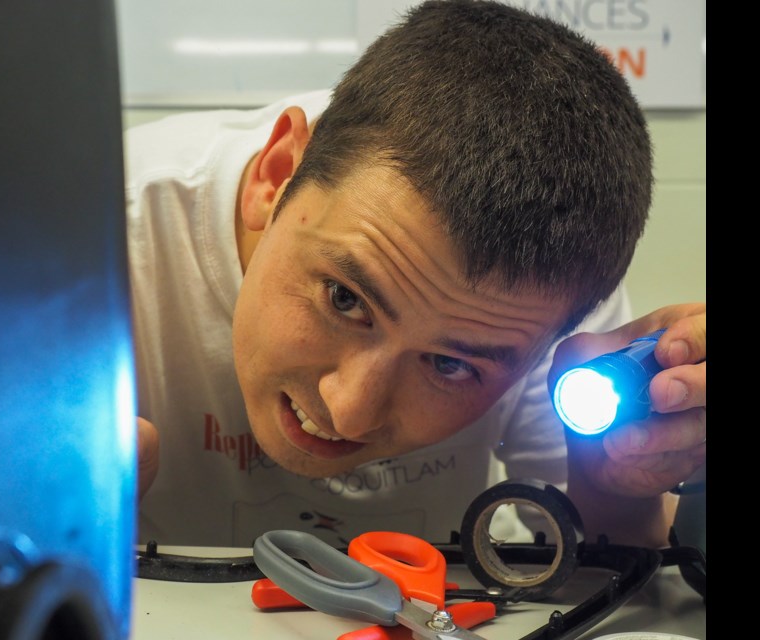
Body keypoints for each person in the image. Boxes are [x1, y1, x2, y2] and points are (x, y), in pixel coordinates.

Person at [127, 0, 706, 550]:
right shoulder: (101, 234)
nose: (349, 409)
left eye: (450, 365)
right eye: (345, 299)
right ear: (275, 177)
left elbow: (599, 566)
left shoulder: (550, 303)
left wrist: (616, 487)